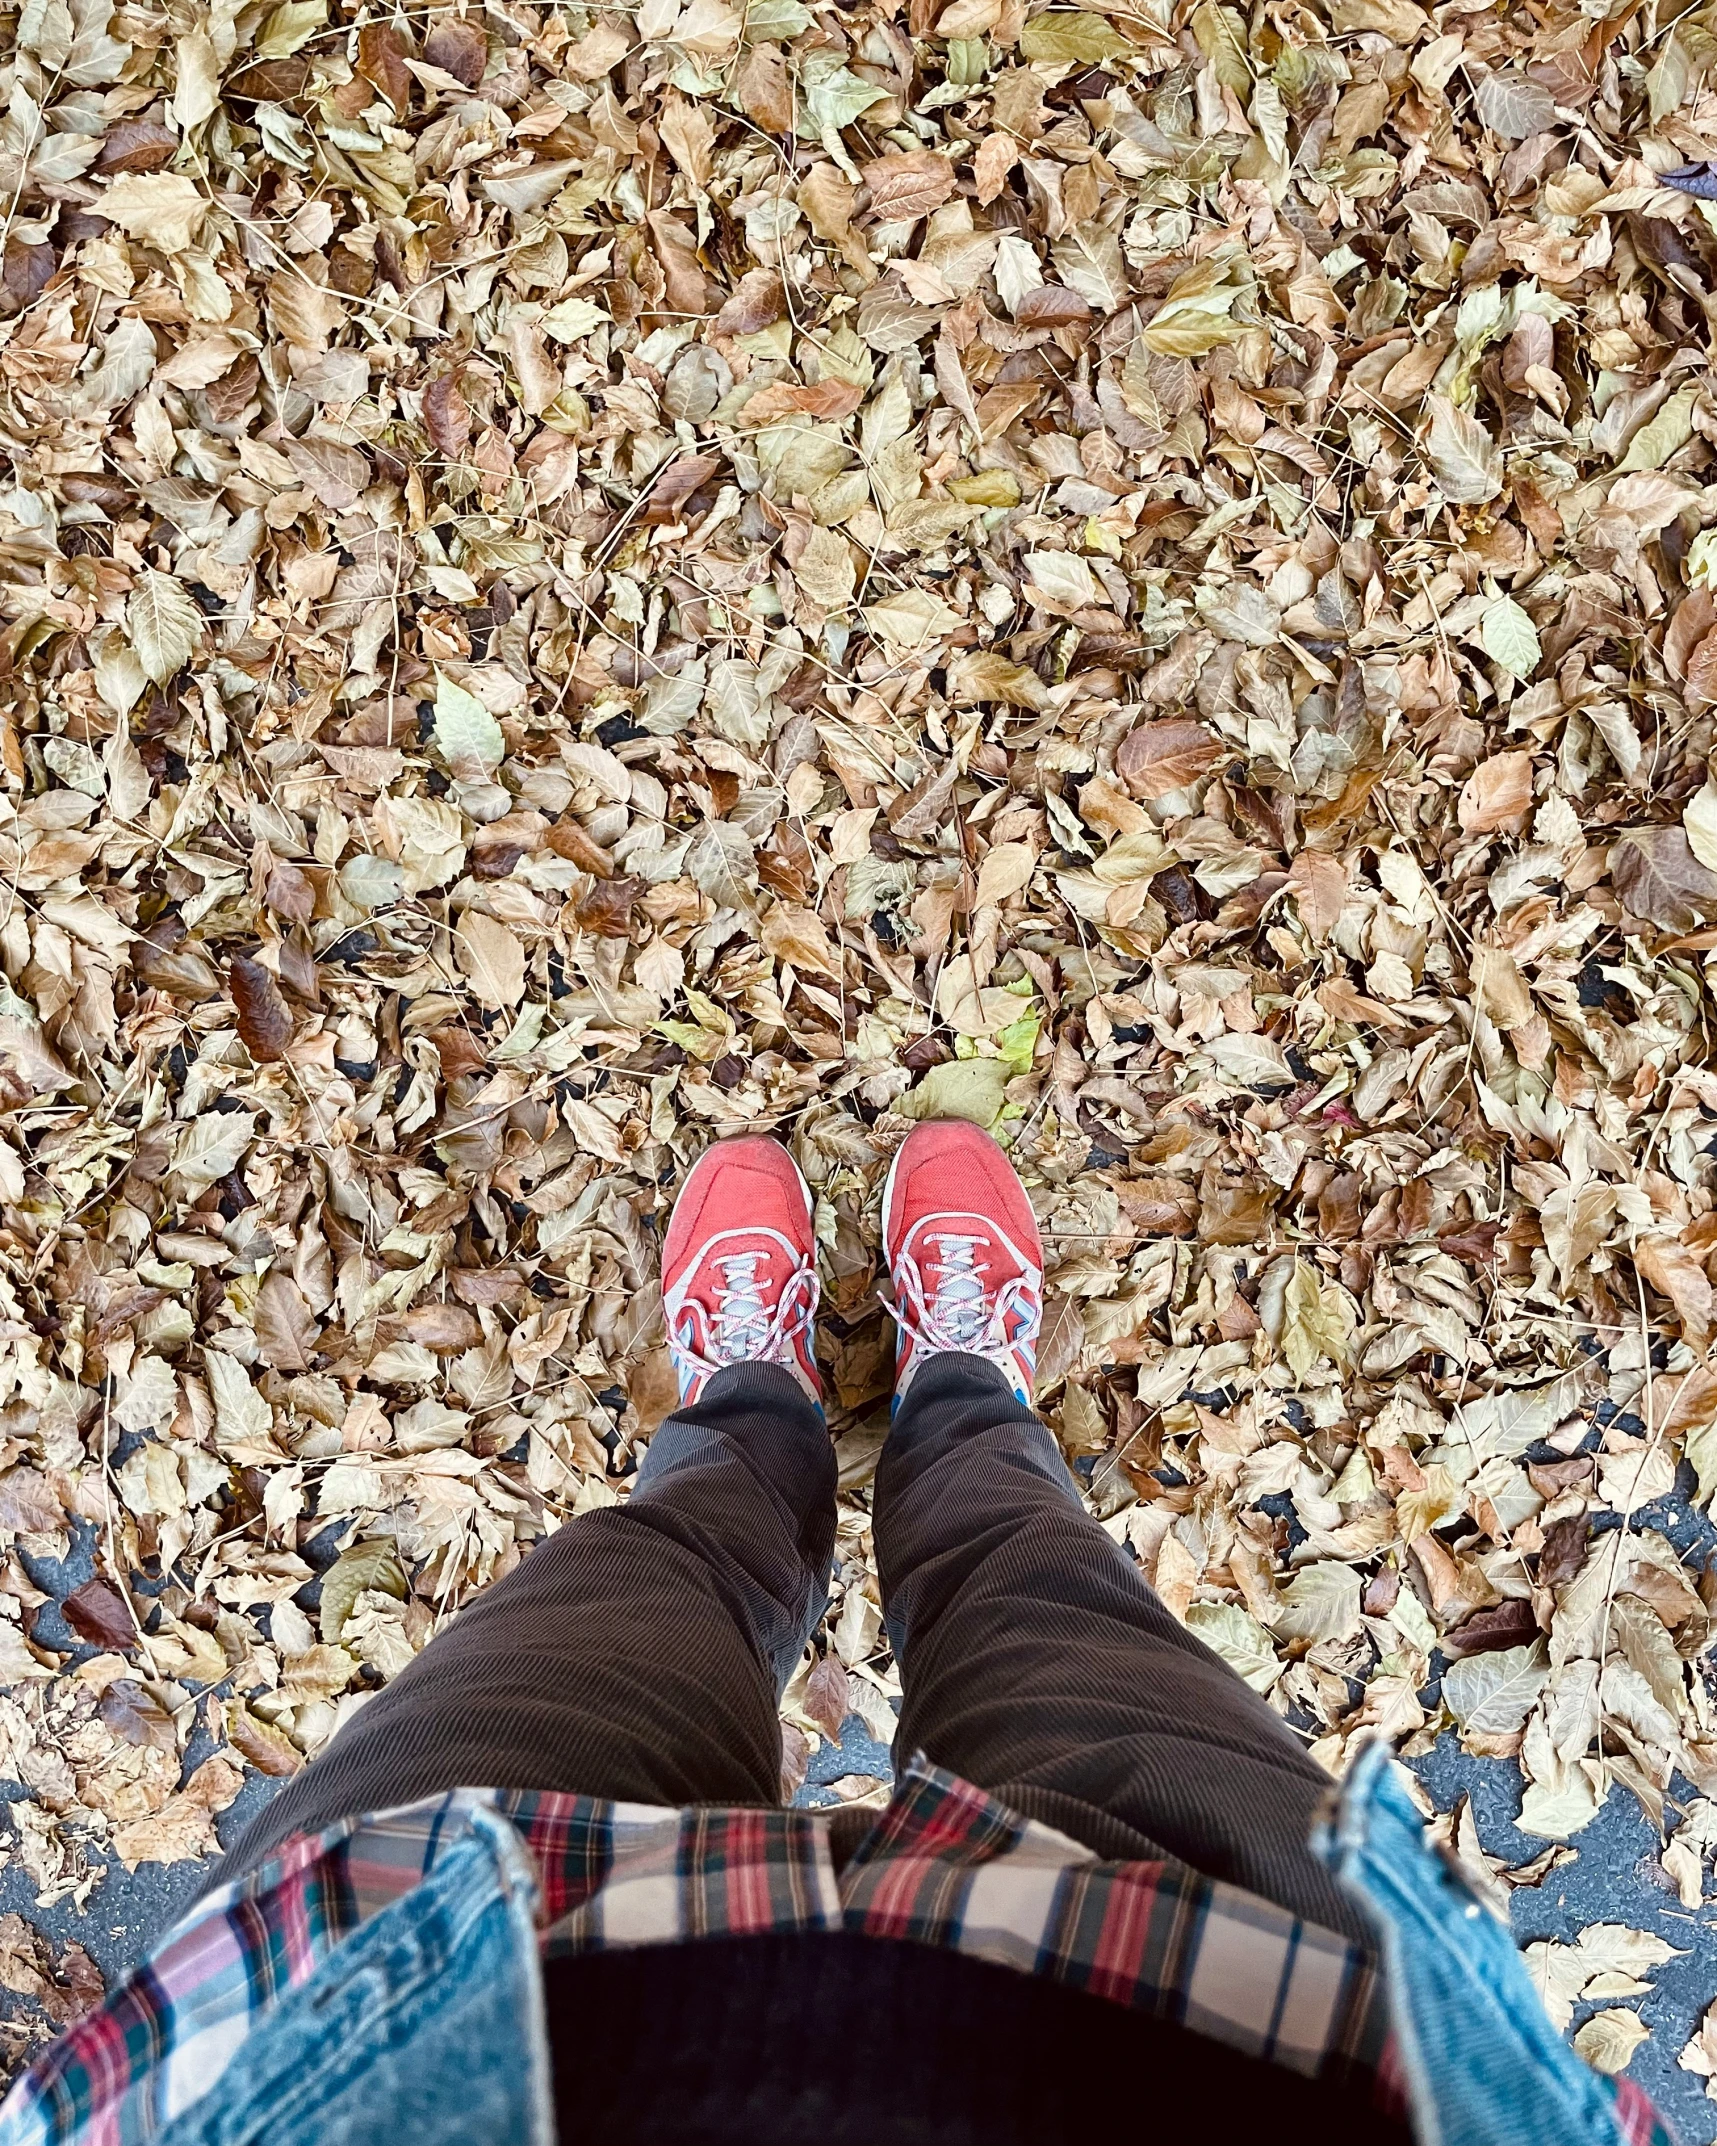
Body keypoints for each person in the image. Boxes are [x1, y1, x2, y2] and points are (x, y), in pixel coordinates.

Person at [0, 1125, 1666, 2146]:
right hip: (1259, 1991)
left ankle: (753, 1402)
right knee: (1039, 1592)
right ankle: (956, 1390)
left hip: (412, 1969)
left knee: (649, 1577)